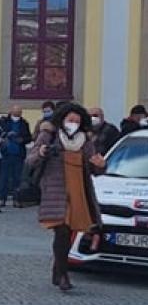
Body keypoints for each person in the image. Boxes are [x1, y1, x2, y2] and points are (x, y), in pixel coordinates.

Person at [27, 102, 104, 293]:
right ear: (62, 119)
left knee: (70, 232)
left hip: (78, 189)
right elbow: (30, 159)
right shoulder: (49, 135)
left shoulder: (85, 141)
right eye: (70, 120)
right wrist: (42, 152)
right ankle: (63, 274)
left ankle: (57, 268)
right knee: (61, 230)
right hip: (56, 189)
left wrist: (101, 165)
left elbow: (94, 167)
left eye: (77, 121)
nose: (73, 123)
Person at [0, 105, 31, 207]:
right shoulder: (4, 121)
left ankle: (16, 199)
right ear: (11, 111)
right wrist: (7, 134)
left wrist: (22, 139)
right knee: (3, 178)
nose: (18, 113)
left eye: (19, 111)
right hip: (5, 153)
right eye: (16, 111)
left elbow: (29, 137)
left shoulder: (24, 123)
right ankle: (1, 199)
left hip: (18, 154)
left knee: (17, 178)